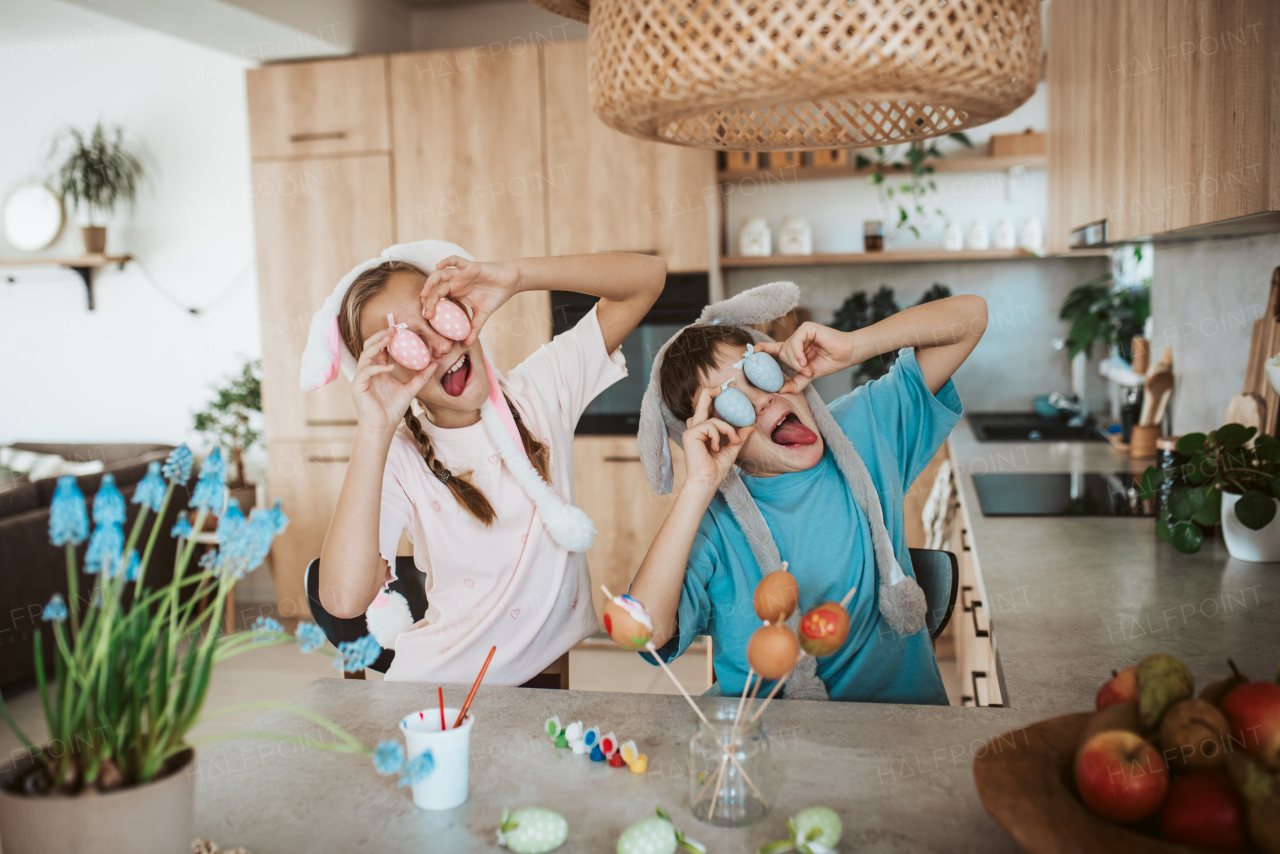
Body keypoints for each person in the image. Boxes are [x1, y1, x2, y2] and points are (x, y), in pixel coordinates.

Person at [300, 240, 664, 684]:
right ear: (386, 371)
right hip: (435, 692)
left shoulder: (542, 393)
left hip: (534, 692)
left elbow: (648, 279)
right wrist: (374, 430)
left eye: (435, 313)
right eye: (405, 343)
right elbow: (342, 600)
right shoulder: (399, 458)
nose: (437, 346)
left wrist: (516, 276)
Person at [630, 282, 986, 704]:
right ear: (715, 436)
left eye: (757, 374)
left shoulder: (865, 432)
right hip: (772, 746)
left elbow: (972, 316)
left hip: (899, 729)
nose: (761, 402)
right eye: (731, 404)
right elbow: (643, 631)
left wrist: (854, 346)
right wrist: (699, 486)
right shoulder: (713, 523)